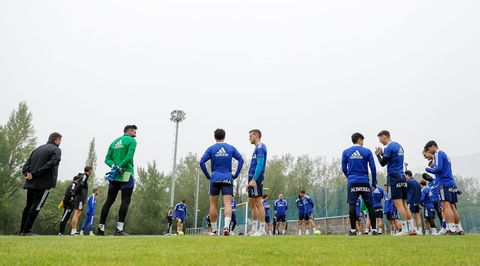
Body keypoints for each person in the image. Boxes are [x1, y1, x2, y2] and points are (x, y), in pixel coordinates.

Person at [199, 129, 244, 236]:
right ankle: (226, 227)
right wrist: (236, 174)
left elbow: (201, 162)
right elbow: (241, 160)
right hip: (227, 178)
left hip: (214, 178)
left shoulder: (211, 149)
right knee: (227, 204)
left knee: (213, 205)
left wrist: (208, 176)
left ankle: (214, 231)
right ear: (224, 136)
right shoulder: (230, 148)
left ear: (215, 137)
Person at [98, 125, 138, 236]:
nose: (136, 133)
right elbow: (129, 157)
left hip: (114, 176)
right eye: (134, 131)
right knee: (125, 200)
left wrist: (114, 167)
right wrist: (120, 167)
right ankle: (119, 229)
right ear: (129, 131)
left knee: (109, 201)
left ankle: (100, 229)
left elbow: (107, 159)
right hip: (126, 173)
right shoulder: (131, 141)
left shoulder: (114, 142)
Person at [21, 132, 62, 236]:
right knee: (36, 206)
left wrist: (28, 173)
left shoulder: (37, 149)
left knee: (28, 206)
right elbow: (52, 163)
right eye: (60, 140)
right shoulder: (56, 150)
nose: (60, 142)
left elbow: (25, 166)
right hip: (44, 183)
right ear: (57, 139)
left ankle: (22, 231)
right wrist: (36, 173)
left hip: (31, 182)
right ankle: (27, 230)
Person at [375, 130, 415, 236]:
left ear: (384, 136)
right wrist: (383, 153)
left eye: (380, 138)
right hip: (402, 176)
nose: (380, 141)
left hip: (393, 177)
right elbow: (391, 158)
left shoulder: (388, 146)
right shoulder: (398, 146)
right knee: (405, 204)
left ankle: (405, 230)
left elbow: (383, 163)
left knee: (398, 204)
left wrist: (378, 155)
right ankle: (412, 229)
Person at [424, 141, 464, 235]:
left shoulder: (438, 153)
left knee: (446, 207)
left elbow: (439, 169)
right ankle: (459, 228)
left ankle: (451, 228)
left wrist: (428, 169)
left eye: (429, 149)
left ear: (433, 146)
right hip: (451, 182)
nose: (429, 152)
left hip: (444, 182)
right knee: (452, 207)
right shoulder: (445, 154)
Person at [342, 132, 378, 236]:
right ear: (359, 140)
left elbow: (344, 168)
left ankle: (353, 230)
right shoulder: (367, 151)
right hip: (364, 181)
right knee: (370, 206)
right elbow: (373, 168)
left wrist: (349, 177)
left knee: (352, 206)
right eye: (362, 140)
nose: (363, 142)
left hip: (352, 182)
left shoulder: (346, 152)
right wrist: (374, 182)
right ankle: (374, 229)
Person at [247, 129, 268, 237]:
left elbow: (260, 165)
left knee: (258, 203)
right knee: (252, 203)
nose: (249, 138)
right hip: (252, 177)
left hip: (257, 178)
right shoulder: (256, 148)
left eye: (250, 135)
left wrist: (254, 179)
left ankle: (262, 229)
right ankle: (254, 228)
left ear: (256, 135)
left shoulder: (260, 147)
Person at [70, 166, 93, 236]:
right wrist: (75, 194)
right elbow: (80, 185)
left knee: (78, 214)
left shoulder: (84, 177)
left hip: (81, 198)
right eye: (91, 170)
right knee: (76, 213)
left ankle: (74, 230)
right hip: (80, 198)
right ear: (89, 170)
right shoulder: (85, 176)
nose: (92, 172)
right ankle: (73, 231)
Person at [405, 170, 423, 235]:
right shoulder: (417, 182)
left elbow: (405, 191)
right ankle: (420, 231)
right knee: (417, 216)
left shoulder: (408, 182)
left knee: (410, 216)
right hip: (417, 201)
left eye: (405, 175)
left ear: (407, 175)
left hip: (411, 201)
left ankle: (414, 229)